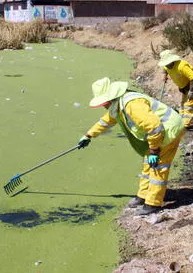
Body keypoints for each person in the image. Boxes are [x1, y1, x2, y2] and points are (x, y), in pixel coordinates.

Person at [77, 77, 185, 216]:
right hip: (158, 134)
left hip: (169, 131)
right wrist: (88, 135)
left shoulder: (132, 105)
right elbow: (107, 121)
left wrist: (154, 151)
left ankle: (153, 203)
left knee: (158, 167)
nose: (104, 106)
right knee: (148, 164)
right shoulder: (118, 104)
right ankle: (143, 195)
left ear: (110, 98)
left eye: (104, 103)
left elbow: (155, 128)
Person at [157, 50, 193, 127]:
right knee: (183, 103)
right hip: (184, 85)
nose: (166, 65)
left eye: (167, 63)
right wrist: (164, 75)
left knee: (190, 103)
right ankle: (181, 119)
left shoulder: (182, 66)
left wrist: (191, 91)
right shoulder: (167, 65)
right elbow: (165, 69)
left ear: (172, 60)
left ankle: (185, 124)